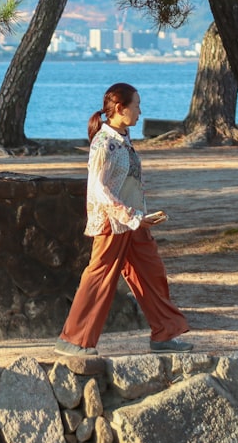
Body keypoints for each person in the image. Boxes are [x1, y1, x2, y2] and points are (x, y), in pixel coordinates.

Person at [55, 82, 192, 357]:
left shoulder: (122, 138)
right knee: (99, 278)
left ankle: (164, 334)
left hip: (135, 222)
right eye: (136, 106)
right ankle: (73, 340)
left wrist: (140, 217)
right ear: (120, 109)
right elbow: (98, 189)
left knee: (152, 274)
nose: (140, 112)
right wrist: (130, 216)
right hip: (112, 223)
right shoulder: (103, 143)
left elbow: (127, 183)